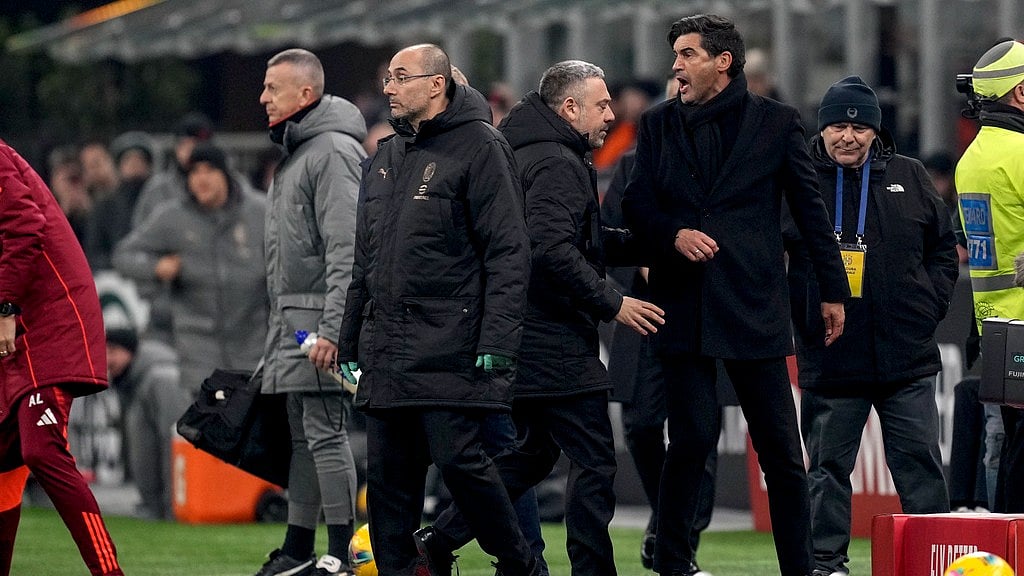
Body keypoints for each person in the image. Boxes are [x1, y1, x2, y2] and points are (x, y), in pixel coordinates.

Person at [621, 14, 849, 576]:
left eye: (687, 54)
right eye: (675, 54)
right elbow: (635, 205)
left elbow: (811, 213)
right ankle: (672, 560)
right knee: (691, 439)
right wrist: (672, 234)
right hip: (685, 305)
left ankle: (799, 567)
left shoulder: (777, 123)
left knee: (781, 452)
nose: (675, 65)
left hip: (751, 305)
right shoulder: (657, 125)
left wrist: (832, 291)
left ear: (723, 61)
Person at [420, 59, 665, 576]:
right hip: (551, 332)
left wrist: (657, 244)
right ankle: (592, 570)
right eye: (601, 105)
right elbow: (550, 250)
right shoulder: (556, 160)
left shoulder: (529, 147)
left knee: (531, 455)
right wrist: (612, 301)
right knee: (594, 460)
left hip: (519, 327)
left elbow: (575, 242)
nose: (610, 114)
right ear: (569, 107)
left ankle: (439, 539)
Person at [336, 43, 538, 576]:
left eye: (401, 77)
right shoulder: (382, 157)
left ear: (436, 84)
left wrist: (496, 344)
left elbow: (509, 253)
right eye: (388, 77)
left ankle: (519, 564)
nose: (389, 87)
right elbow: (366, 262)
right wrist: (350, 337)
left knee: (463, 466)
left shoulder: (482, 147)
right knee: (386, 481)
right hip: (385, 352)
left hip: (450, 345)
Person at [791, 75, 958, 576]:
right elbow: (768, 254)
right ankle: (825, 563)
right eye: (838, 125)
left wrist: (926, 307)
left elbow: (943, 250)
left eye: (859, 128)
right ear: (821, 129)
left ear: (876, 133)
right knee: (827, 470)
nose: (848, 136)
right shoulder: (797, 181)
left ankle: (935, 558)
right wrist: (802, 311)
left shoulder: (909, 174)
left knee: (919, 462)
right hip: (832, 353)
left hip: (906, 355)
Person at [255, 47, 365, 576]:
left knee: (325, 430)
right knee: (304, 434)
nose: (262, 97)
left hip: (317, 323)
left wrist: (334, 329)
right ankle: (299, 548)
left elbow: (347, 250)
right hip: (295, 322)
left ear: (306, 94)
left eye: (272, 87)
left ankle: (339, 554)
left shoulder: (333, 152)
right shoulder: (299, 153)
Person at [0, 138, 123, 575]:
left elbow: (24, 226)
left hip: (49, 320)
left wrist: (5, 306)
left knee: (41, 450)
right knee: (4, 468)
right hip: (21, 326)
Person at [113, 143, 268, 396]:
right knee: (206, 430)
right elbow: (124, 255)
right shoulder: (173, 217)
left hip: (253, 347)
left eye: (209, 170)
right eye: (194, 172)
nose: (201, 179)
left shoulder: (259, 212)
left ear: (226, 174)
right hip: (198, 353)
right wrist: (156, 268)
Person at [955, 39, 1024, 513]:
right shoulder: (1020, 153)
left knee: (1008, 452)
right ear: (1019, 94)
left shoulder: (972, 157)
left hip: (995, 327)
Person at [104, 325, 186, 520]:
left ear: (131, 351)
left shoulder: (162, 378)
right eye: (104, 352)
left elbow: (173, 444)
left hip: (168, 510)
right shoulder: (134, 379)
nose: (107, 360)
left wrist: (171, 508)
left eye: (113, 351)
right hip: (156, 510)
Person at [86, 130, 157, 270]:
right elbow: (94, 252)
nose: (134, 165)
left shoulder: (160, 204)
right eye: (129, 160)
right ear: (119, 166)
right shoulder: (104, 207)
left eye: (140, 160)